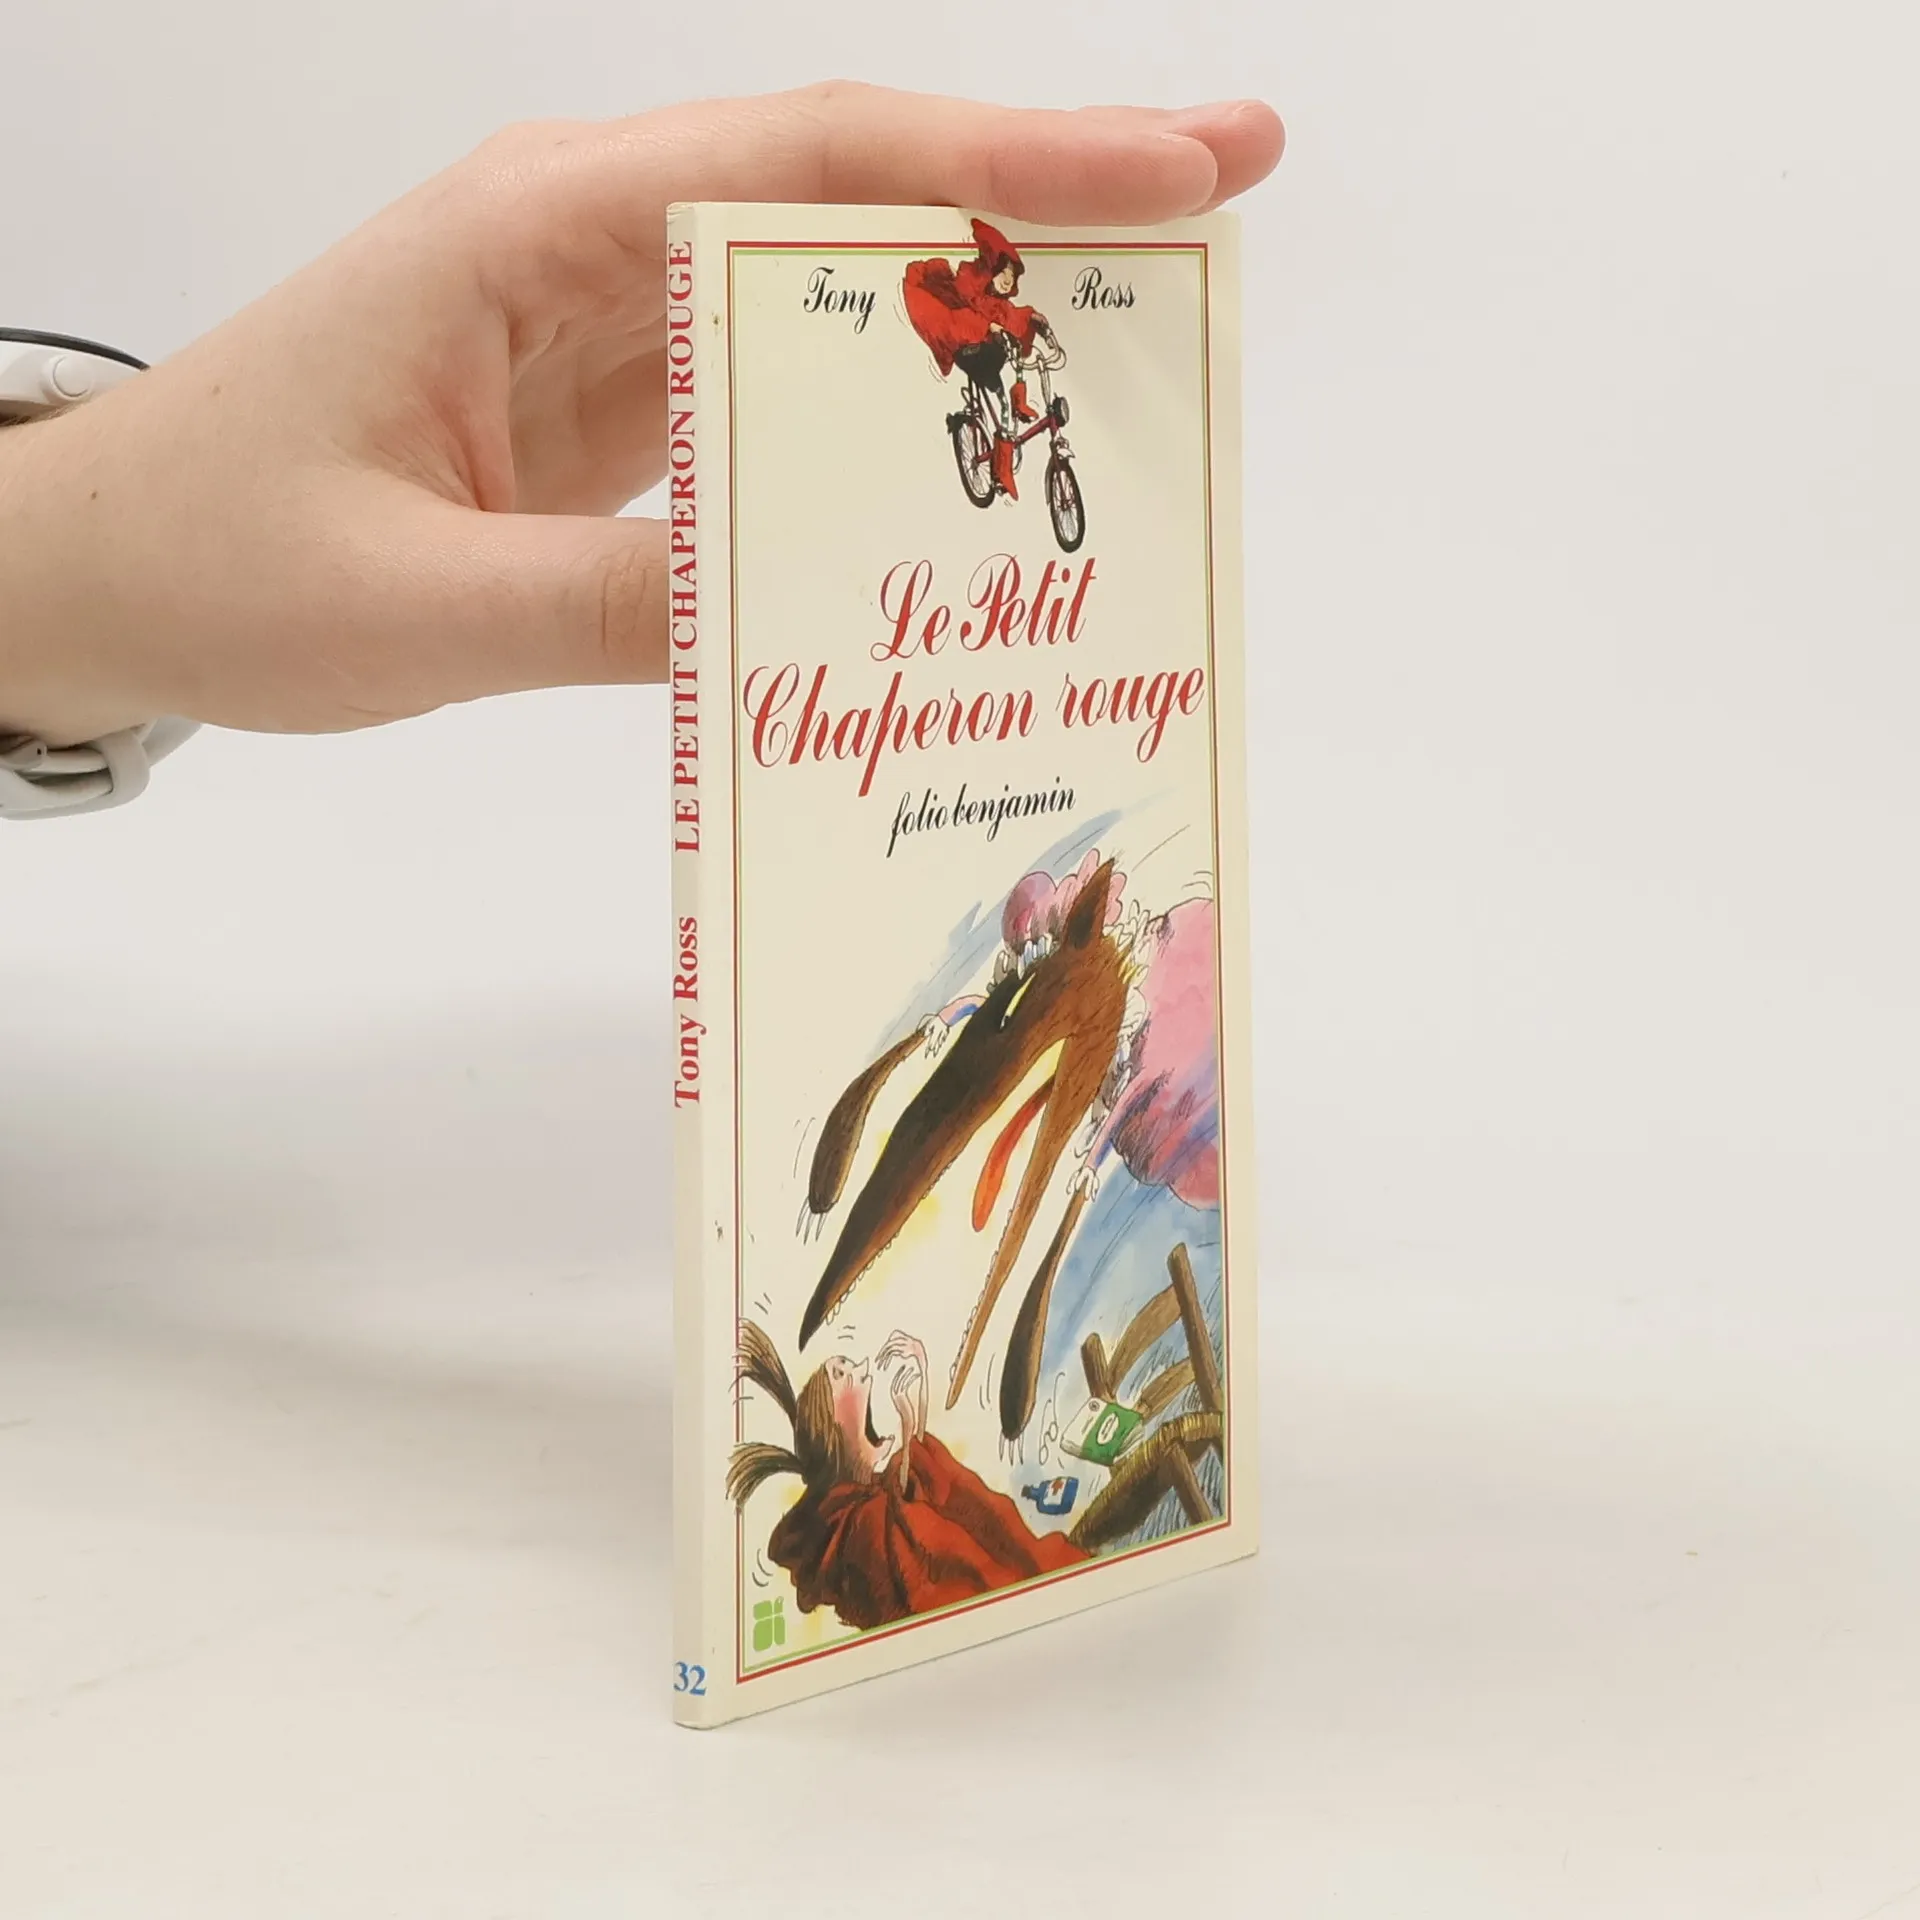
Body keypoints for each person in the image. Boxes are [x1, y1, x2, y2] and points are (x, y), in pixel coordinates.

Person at [0, 86, 1282, 758]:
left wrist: (61, 564)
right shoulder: (951, 299)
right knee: (981, 399)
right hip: (960, 372)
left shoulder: (1007, 296)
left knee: (1026, 382)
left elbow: (1029, 321)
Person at [727, 1319, 1087, 1631]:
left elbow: (919, 1481)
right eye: (839, 1374)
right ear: (830, 1421)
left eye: (845, 1365)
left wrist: (919, 1385)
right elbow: (909, 1532)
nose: (855, 1368)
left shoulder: (869, 1486)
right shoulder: (853, 1522)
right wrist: (909, 1422)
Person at [903, 216, 1053, 498]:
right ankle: (1003, 471)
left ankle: (1019, 402)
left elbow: (1015, 317)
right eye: (1003, 273)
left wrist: (1036, 320)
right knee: (1003, 396)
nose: (1008, 280)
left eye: (1012, 276)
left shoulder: (1000, 305)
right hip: (971, 352)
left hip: (988, 352)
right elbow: (961, 318)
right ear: (990, 271)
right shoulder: (970, 291)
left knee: (1013, 345)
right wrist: (989, 327)